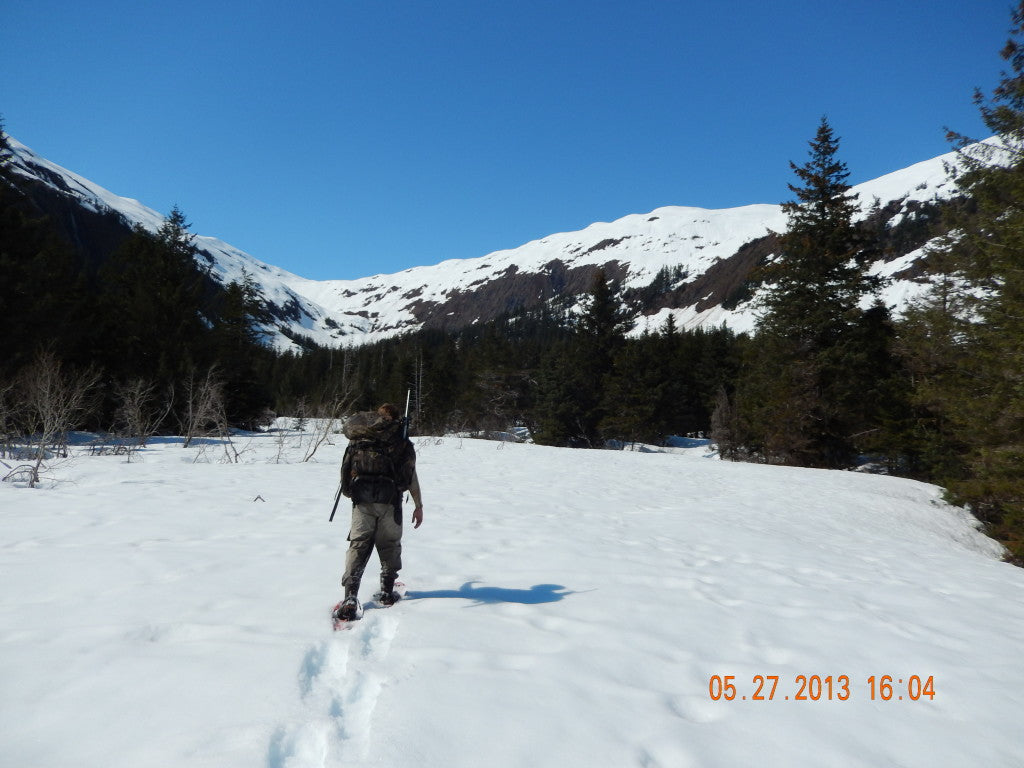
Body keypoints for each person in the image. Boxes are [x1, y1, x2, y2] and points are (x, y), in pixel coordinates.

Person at [334, 403, 423, 621]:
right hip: (390, 501)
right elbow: (410, 475)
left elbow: (345, 468)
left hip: (362, 500)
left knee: (358, 544)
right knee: (389, 544)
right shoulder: (400, 441)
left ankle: (350, 597)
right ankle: (386, 591)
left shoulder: (360, 437)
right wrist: (418, 505)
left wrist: (350, 493)